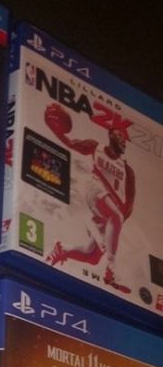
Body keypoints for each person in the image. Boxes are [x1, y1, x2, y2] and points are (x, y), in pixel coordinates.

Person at [43, 102, 135, 293]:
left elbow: (129, 203)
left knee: (91, 255)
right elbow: (70, 143)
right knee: (115, 215)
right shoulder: (96, 147)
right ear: (111, 135)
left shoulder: (128, 170)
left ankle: (62, 250)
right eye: (120, 136)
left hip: (109, 210)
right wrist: (55, 129)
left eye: (125, 140)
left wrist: (116, 224)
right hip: (95, 191)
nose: (123, 141)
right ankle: (112, 269)